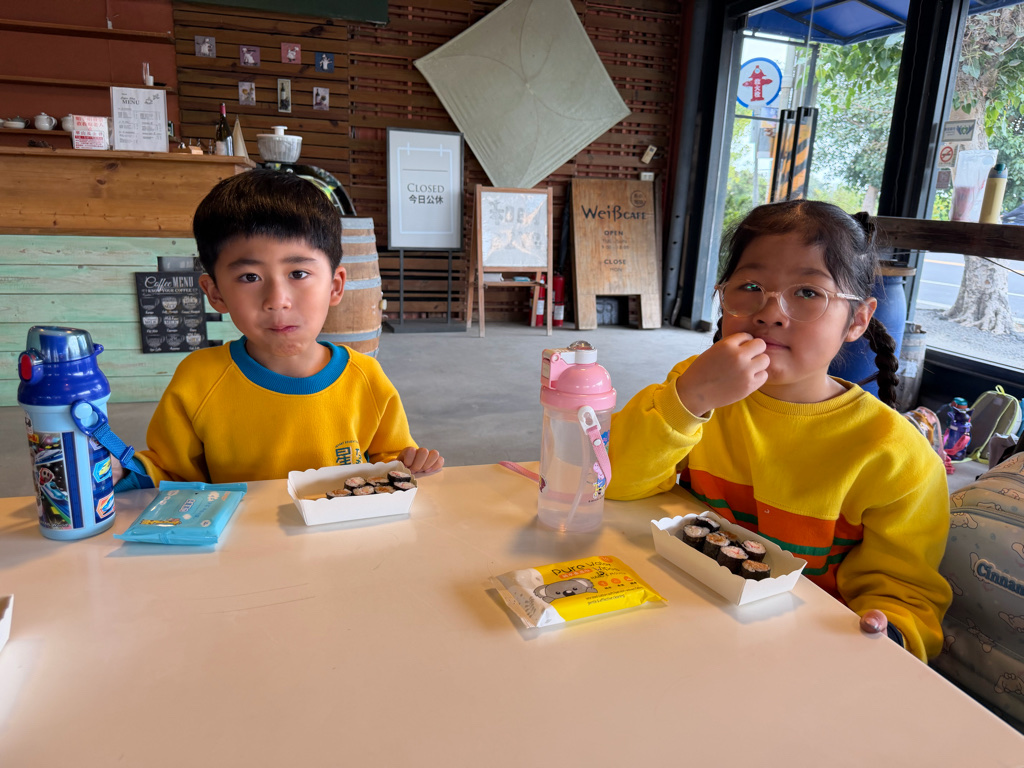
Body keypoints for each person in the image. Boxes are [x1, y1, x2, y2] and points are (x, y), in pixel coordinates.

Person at [606, 200, 951, 662]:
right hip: (683, 615)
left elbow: (905, 593)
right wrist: (688, 398)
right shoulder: (699, 389)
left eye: (807, 292)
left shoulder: (896, 454)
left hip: (805, 652)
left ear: (858, 319)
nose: (771, 312)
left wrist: (890, 634)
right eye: (750, 286)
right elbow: (615, 481)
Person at [114, 169, 443, 490]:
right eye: (250, 277)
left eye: (298, 273)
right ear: (215, 293)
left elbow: (390, 462)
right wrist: (122, 471)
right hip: (241, 529)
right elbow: (169, 472)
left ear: (335, 286)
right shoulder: (198, 381)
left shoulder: (366, 379)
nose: (277, 301)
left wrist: (411, 463)